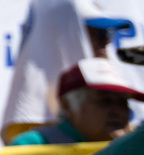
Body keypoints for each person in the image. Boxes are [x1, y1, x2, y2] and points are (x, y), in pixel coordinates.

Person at [9, 59, 143, 145]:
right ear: (67, 105)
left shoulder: (135, 149)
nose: (118, 111)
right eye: (105, 101)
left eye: (123, 102)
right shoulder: (33, 145)